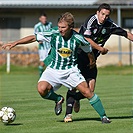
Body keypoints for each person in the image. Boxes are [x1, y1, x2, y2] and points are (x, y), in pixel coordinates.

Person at [2, 12, 110, 123]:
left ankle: (104, 117)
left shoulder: (78, 38)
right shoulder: (54, 33)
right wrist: (15, 43)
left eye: (63, 27)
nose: (60, 29)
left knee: (87, 92)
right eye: (59, 27)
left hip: (70, 71)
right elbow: (34, 37)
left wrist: (92, 62)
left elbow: (89, 51)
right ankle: (58, 99)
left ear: (71, 27)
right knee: (41, 89)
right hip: (53, 70)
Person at [64, 3, 133, 122]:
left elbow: (126, 34)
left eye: (107, 15)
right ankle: (68, 115)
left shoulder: (110, 25)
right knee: (73, 86)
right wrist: (100, 49)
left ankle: (76, 99)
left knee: (90, 90)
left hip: (92, 60)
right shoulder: (91, 20)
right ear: (97, 13)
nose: (104, 17)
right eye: (102, 14)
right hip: (78, 57)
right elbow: (86, 39)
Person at [34, 13, 52, 77]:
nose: (44, 20)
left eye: (45, 18)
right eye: (43, 18)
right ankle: (41, 75)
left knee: (50, 61)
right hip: (43, 48)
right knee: (43, 62)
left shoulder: (50, 24)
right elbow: (35, 36)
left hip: (50, 47)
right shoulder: (37, 26)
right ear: (40, 19)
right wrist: (39, 40)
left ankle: (49, 75)